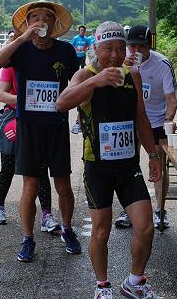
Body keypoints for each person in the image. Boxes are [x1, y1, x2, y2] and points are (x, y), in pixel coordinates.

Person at [57, 21, 163, 299]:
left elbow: (141, 118)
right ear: (97, 49)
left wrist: (153, 155)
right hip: (98, 167)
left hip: (128, 166)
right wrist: (96, 81)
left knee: (146, 227)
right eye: (108, 49)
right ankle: (102, 286)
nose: (114, 55)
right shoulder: (85, 75)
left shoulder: (132, 75)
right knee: (101, 231)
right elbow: (61, 103)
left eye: (119, 48)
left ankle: (134, 282)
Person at [0, 0, 81, 262]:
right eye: (35, 17)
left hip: (57, 125)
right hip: (28, 126)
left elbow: (77, 82)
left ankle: (67, 229)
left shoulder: (65, 50)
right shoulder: (20, 49)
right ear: (27, 24)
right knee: (30, 185)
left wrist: (80, 108)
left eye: (47, 17)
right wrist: (21, 38)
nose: (41, 22)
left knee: (63, 183)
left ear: (55, 24)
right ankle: (28, 237)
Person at [115, 25, 177, 231]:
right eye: (132, 47)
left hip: (155, 122)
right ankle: (128, 210)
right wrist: (123, 69)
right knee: (128, 166)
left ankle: (160, 210)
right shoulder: (121, 61)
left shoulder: (162, 64)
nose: (135, 51)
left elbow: (172, 100)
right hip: (129, 122)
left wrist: (168, 120)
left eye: (141, 47)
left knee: (158, 166)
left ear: (149, 46)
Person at [0, 63, 61, 233]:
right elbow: (1, 94)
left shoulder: (44, 63)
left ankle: (46, 215)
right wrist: (26, 99)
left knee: (41, 169)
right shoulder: (12, 63)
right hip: (13, 117)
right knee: (8, 166)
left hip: (39, 119)